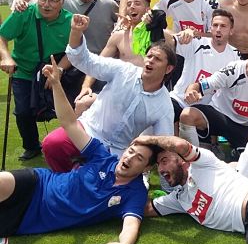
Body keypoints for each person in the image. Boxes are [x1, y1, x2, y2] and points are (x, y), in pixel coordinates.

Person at [0, 55, 157, 244]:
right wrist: (56, 84)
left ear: (146, 168)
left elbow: (131, 224)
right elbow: (70, 124)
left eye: (139, 158)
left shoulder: (134, 192)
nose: (129, 157)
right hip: (38, 184)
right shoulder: (102, 156)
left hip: (33, 218)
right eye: (131, 151)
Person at [41, 14, 176, 172]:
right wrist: (76, 32)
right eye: (149, 56)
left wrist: (165, 171)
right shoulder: (123, 70)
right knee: (52, 143)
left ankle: (82, 174)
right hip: (89, 130)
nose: (150, 61)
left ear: (168, 69)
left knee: (112, 189)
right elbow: (85, 61)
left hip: (119, 150)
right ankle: (65, 179)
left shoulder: (164, 104)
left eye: (157, 59)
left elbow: (164, 142)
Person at [0, 0, 73, 160]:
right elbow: (2, 37)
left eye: (52, 0)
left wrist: (60, 70)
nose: (46, 5)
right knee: (24, 112)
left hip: (54, 72)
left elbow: (74, 51)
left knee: (70, 109)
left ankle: (72, 145)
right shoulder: (23, 13)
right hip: (24, 71)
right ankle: (32, 146)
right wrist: (6, 57)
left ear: (61, 3)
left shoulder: (70, 20)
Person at [178, 38, 248, 154]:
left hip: (242, 127)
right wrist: (191, 91)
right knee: (187, 115)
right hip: (219, 116)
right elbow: (199, 86)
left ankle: (232, 151)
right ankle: (191, 159)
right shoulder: (233, 70)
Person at [169, 9, 240, 124]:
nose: (218, 29)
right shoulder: (196, 43)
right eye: (215, 25)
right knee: (159, 115)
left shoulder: (236, 56)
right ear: (210, 28)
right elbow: (169, 41)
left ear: (231, 31)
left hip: (207, 110)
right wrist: (157, 26)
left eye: (223, 26)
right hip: (179, 100)